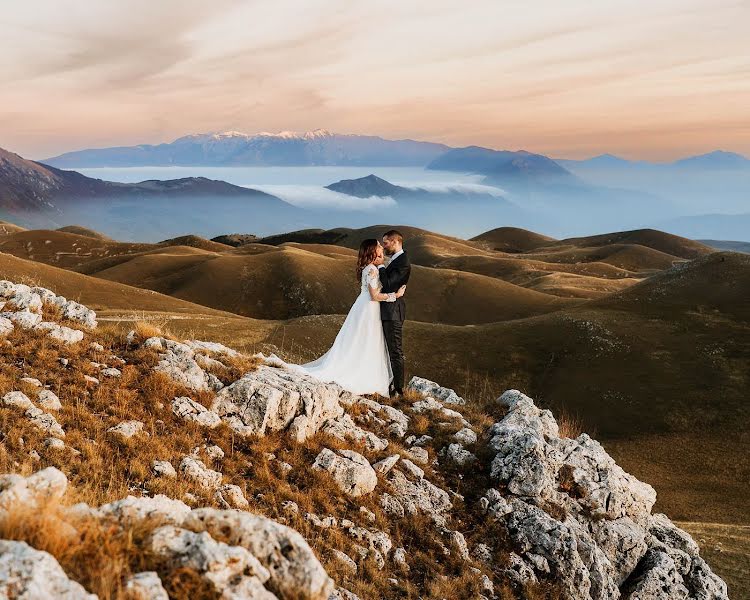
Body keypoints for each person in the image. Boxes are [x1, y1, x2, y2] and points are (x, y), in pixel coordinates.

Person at [288, 238, 406, 397]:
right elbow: (374, 295)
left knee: (364, 340)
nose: (381, 247)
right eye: (378, 245)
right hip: (369, 307)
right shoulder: (372, 269)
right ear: (373, 250)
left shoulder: (370, 267)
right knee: (365, 340)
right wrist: (395, 295)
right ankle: (363, 374)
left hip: (365, 306)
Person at [378, 229, 411, 397]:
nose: (384, 246)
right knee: (388, 349)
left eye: (386, 242)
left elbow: (389, 284)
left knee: (396, 350)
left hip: (393, 312)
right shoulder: (397, 260)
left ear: (395, 242)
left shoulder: (403, 262)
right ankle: (390, 383)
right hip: (388, 310)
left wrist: (381, 265)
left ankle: (398, 389)